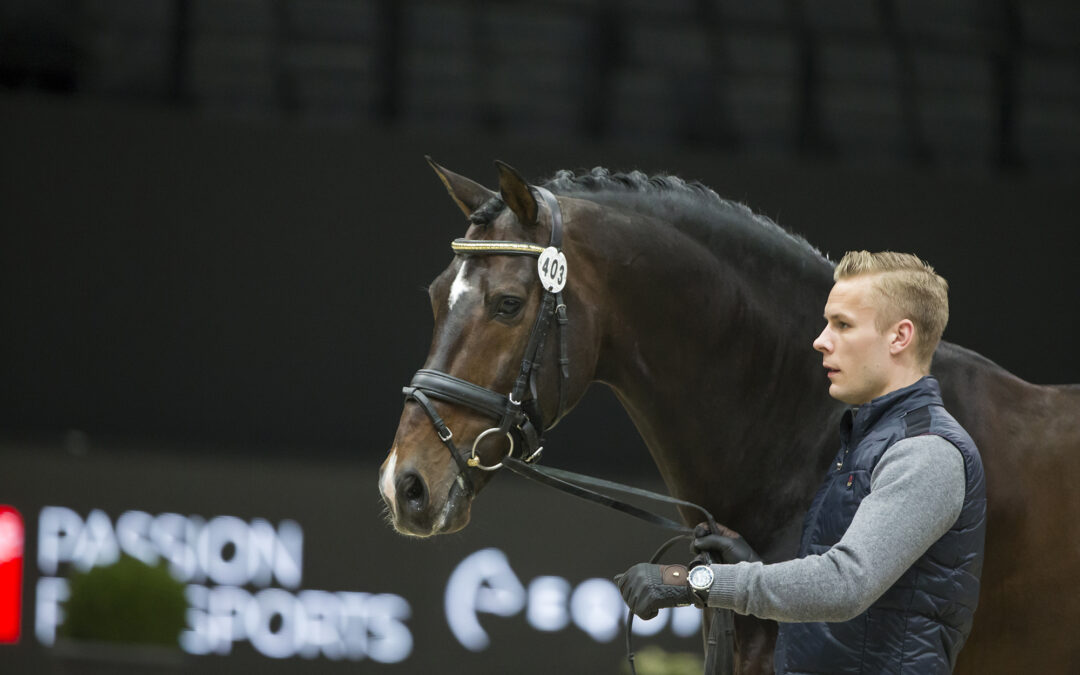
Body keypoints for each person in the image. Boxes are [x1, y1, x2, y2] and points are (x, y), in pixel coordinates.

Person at [615, 251, 986, 673]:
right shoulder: (870, 439)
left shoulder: (926, 450)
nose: (821, 340)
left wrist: (694, 583)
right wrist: (757, 569)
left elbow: (846, 584)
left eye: (843, 325)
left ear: (899, 337)